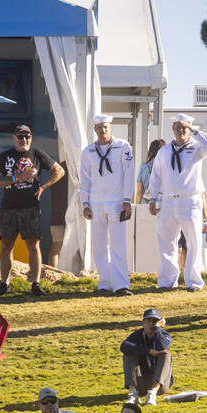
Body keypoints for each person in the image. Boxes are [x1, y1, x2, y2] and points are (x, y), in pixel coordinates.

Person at [148, 113, 207, 291]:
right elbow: (155, 175)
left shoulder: (196, 148)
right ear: (173, 129)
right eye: (178, 127)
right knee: (166, 241)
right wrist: (153, 198)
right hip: (168, 201)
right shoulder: (164, 151)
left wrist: (194, 130)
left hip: (190, 200)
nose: (181, 130)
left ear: (189, 129)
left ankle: (193, 282)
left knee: (194, 242)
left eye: (184, 128)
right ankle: (167, 281)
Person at [0, 124, 65, 296]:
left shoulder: (37, 154)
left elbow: (59, 171)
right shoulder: (6, 155)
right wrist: (17, 178)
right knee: (6, 245)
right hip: (9, 206)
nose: (24, 140)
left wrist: (44, 187)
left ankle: (36, 284)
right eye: (21, 137)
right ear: (14, 138)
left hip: (30, 206)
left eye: (28, 137)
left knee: (33, 245)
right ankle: (4, 283)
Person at [79, 113, 135, 295]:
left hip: (117, 202)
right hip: (96, 203)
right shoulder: (88, 152)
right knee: (99, 245)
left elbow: (129, 174)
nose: (102, 131)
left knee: (118, 244)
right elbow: (85, 180)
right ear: (94, 129)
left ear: (110, 128)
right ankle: (105, 283)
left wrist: (127, 200)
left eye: (105, 127)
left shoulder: (123, 146)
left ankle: (121, 284)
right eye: (99, 128)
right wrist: (85, 203)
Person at [120, 308, 172, 406]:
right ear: (143, 322)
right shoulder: (137, 335)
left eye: (155, 321)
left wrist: (157, 329)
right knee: (128, 353)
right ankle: (133, 394)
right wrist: (149, 351)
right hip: (140, 382)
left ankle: (152, 394)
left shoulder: (163, 334)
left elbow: (164, 346)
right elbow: (124, 346)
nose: (151, 324)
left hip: (160, 384)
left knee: (165, 353)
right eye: (148, 320)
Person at [135, 139, 163, 204]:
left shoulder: (143, 167)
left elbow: (139, 192)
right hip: (161, 205)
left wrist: (137, 207)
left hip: (145, 204)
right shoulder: (166, 167)